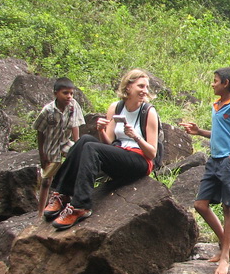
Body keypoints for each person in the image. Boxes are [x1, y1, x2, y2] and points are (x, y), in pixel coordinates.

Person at [44, 69, 160, 230]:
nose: (145, 91)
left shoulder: (148, 112)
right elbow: (108, 143)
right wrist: (100, 131)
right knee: (85, 140)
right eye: (141, 86)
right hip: (119, 155)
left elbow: (152, 153)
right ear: (128, 87)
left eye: (146, 87)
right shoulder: (116, 107)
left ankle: (80, 206)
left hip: (139, 161)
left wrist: (136, 137)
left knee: (91, 147)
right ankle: (62, 194)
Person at [181, 68, 230, 274]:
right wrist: (199, 132)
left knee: (228, 208)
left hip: (229, 162)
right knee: (200, 205)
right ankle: (227, 245)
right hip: (214, 160)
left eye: (215, 81)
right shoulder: (217, 105)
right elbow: (221, 133)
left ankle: (225, 257)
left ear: (226, 83)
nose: (212, 84)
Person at [33, 77, 85, 217]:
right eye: (65, 93)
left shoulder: (73, 106)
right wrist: (42, 154)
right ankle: (40, 212)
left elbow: (75, 126)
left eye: (71, 93)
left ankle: (72, 201)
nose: (69, 96)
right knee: (46, 180)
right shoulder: (48, 111)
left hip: (65, 142)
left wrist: (78, 146)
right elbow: (40, 131)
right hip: (51, 145)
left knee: (77, 165)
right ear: (56, 93)